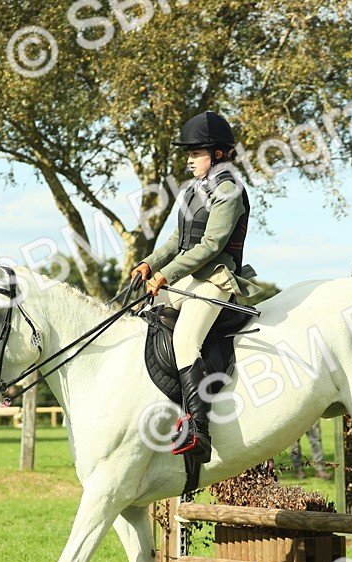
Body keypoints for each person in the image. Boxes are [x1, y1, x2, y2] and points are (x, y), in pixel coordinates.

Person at [130, 111, 257, 463]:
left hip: (215, 279)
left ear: (217, 154)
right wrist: (149, 264)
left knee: (186, 339)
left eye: (195, 153)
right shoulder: (191, 192)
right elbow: (176, 240)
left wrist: (166, 275)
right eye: (188, 154)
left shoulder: (228, 192)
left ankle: (199, 430)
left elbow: (210, 246)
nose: (189, 160)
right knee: (140, 317)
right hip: (187, 278)